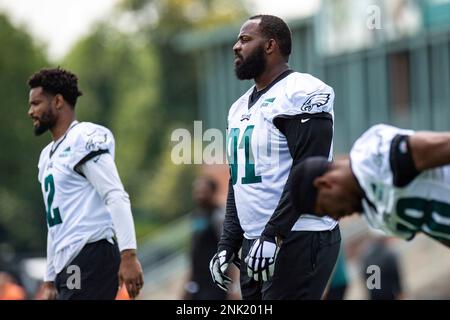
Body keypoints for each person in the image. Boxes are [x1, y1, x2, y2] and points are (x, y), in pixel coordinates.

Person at [209, 15, 341, 300]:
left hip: (300, 234)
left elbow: (309, 169)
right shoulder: (238, 107)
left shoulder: (301, 91)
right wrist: (228, 242)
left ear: (270, 45)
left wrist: (273, 234)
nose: (236, 47)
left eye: (245, 40)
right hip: (256, 241)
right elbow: (239, 180)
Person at [27, 67, 144, 300]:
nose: (31, 111)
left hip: (91, 252)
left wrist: (128, 254)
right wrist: (50, 279)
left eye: (36, 103)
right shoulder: (47, 155)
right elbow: (56, 223)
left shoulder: (83, 138)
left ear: (58, 101)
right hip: (68, 261)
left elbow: (115, 195)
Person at [289, 123, 450, 248]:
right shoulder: (375, 217)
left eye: (325, 209)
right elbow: (437, 229)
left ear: (324, 184)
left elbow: (444, 145)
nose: (335, 217)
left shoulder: (372, 158)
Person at [183, 177, 228, 300]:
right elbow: (195, 252)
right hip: (198, 281)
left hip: (215, 281)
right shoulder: (196, 215)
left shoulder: (219, 216)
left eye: (204, 192)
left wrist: (232, 287)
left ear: (213, 193)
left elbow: (230, 251)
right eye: (197, 192)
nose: (200, 195)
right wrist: (187, 283)